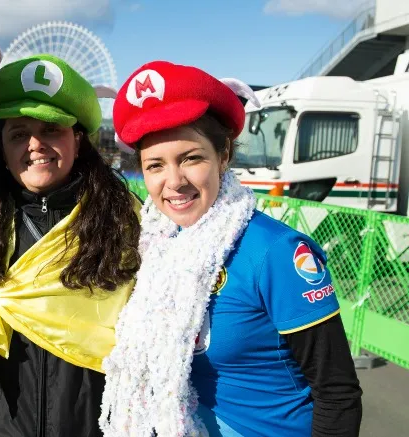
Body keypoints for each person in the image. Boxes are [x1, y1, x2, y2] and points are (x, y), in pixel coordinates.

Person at [100, 61, 363, 437]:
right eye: (155, 165)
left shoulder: (276, 252)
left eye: (191, 158)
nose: (174, 181)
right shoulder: (158, 245)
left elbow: (337, 394)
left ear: (223, 155)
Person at [0, 54, 142, 437]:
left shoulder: (129, 221)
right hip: (2, 424)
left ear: (78, 140)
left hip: (95, 425)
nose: (35, 145)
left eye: (51, 129)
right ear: (1, 147)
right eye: (18, 134)